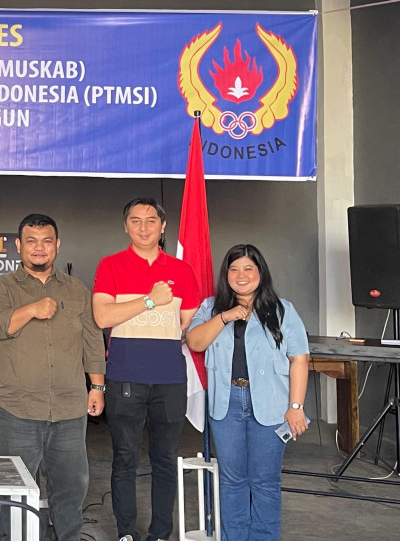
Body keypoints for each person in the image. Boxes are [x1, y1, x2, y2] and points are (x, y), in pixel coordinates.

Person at [0, 213, 106, 541]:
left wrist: (97, 386)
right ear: (19, 245)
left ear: (57, 245)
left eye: (46, 241)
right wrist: (31, 310)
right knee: (15, 492)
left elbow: (93, 340)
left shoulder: (77, 290)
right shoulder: (1, 288)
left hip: (69, 410)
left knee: (70, 489)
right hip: (16, 410)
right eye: (32, 241)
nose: (39, 248)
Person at [92, 198, 201, 541]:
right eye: (135, 220)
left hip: (170, 378)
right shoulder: (110, 265)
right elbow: (102, 317)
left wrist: (140, 314)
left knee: (165, 459)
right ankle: (126, 533)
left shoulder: (182, 271)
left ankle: (160, 534)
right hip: (125, 375)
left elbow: (188, 325)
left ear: (163, 226)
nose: (143, 227)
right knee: (125, 458)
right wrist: (151, 300)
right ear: (125, 226)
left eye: (151, 220)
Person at [185, 244, 309, 541]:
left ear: (260, 272)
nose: (241, 275)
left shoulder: (282, 310)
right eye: (234, 269)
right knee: (232, 480)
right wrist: (225, 317)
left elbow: (300, 359)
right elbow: (195, 342)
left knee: (265, 481)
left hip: (271, 404)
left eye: (248, 268)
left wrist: (296, 406)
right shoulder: (211, 307)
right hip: (226, 404)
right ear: (226, 274)